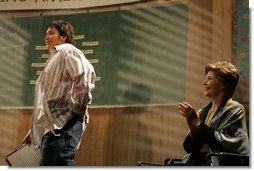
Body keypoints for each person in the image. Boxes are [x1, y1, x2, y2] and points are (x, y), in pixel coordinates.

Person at [21, 20, 96, 166]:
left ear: (64, 37)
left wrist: (77, 111)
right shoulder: (54, 59)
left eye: (51, 33)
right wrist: (34, 131)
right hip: (51, 128)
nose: (46, 36)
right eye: (46, 34)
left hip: (63, 125)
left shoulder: (68, 51)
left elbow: (84, 77)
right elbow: (47, 102)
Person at [178, 61, 249, 166]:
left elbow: (225, 144)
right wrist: (193, 130)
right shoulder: (202, 112)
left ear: (223, 83)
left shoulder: (235, 109)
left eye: (209, 79)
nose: (204, 83)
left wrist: (196, 122)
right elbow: (189, 148)